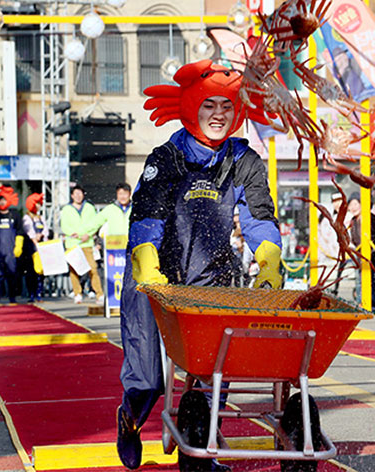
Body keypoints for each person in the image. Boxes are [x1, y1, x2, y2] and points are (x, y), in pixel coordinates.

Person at [116, 59, 281, 471]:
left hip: (211, 276)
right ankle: (130, 417)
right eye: (209, 106)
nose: (218, 116)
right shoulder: (166, 157)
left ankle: (200, 449)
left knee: (213, 372)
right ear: (192, 107)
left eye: (227, 106)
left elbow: (259, 216)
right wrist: (148, 265)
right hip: (152, 274)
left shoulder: (244, 160)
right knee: (149, 378)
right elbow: (147, 217)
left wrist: (269, 261)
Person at [60, 185, 103, 304]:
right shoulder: (66, 209)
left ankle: (99, 293)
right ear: (72, 196)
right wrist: (76, 234)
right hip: (72, 243)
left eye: (80, 193)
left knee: (93, 268)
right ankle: (77, 293)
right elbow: (64, 225)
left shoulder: (89, 207)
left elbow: (95, 223)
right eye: (76, 194)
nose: (78, 196)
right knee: (74, 269)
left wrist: (88, 234)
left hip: (87, 242)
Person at [346, 192, 375, 315]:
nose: (353, 207)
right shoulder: (353, 221)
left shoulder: (370, 218)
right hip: (359, 254)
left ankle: (374, 304)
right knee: (359, 280)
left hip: (371, 254)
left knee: (373, 279)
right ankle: (362, 302)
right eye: (351, 205)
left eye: (356, 204)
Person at [22, 193, 48, 303]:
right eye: (36, 204)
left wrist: (42, 236)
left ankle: (39, 293)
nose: (38, 206)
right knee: (31, 272)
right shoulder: (27, 217)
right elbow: (28, 231)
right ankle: (31, 294)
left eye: (39, 204)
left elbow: (46, 229)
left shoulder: (41, 217)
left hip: (41, 247)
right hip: (31, 248)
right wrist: (34, 238)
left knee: (41, 272)